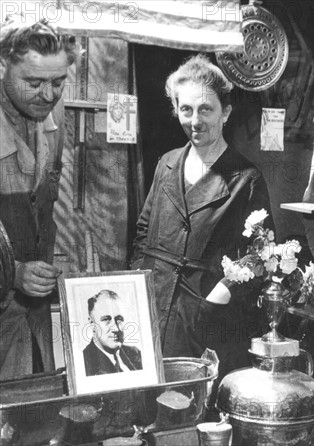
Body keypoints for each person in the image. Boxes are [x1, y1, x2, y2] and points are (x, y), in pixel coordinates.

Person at [131, 54, 271, 379]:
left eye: (206, 109)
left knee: (196, 407)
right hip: (155, 306)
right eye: (186, 110)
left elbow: (260, 257)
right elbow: (142, 234)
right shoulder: (166, 163)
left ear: (226, 113)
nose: (196, 121)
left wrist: (218, 295)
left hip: (207, 317)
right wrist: (140, 287)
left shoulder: (245, 179)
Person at [0, 17, 75, 379]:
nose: (48, 94)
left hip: (35, 320)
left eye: (58, 82)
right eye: (34, 82)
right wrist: (11, 274)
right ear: (2, 65)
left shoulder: (52, 114)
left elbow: (44, 207)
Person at [83, 290, 143, 376]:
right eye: (106, 319)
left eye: (119, 319)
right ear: (92, 324)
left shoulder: (135, 354)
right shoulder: (84, 362)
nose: (115, 328)